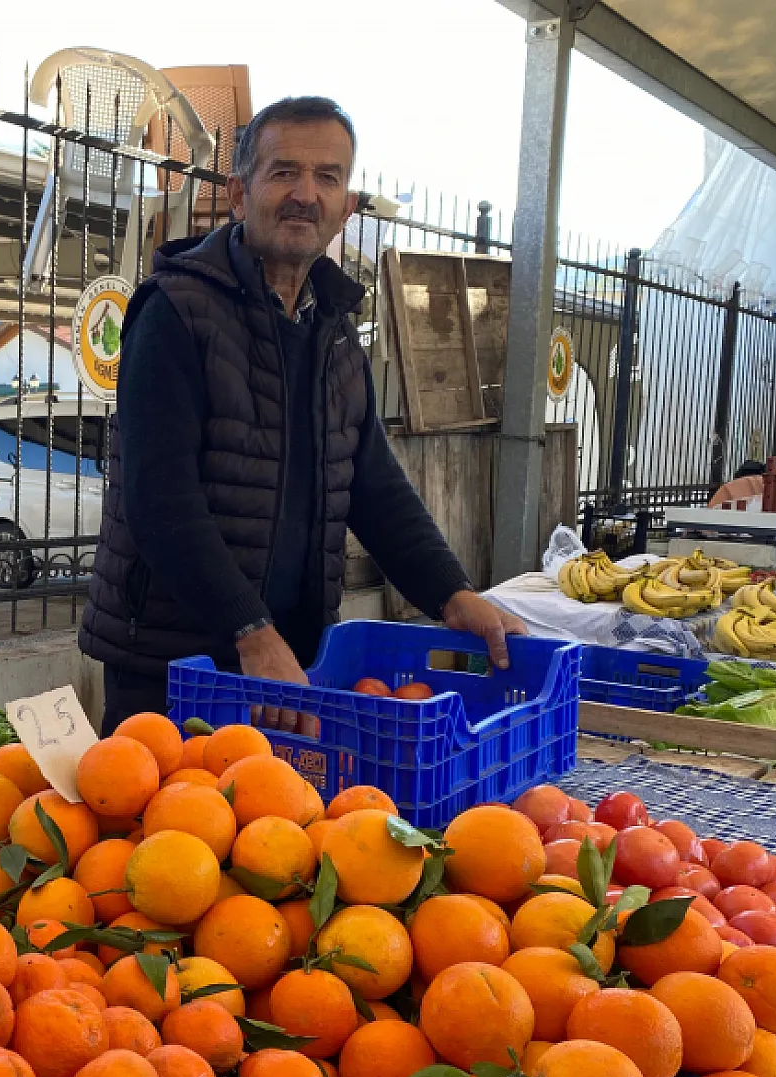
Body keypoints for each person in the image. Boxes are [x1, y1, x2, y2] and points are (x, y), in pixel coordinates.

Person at [79, 95, 523, 734]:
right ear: (239, 192)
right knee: (166, 828)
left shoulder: (336, 332)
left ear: (346, 206)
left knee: (279, 834)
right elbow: (158, 498)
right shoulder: (175, 312)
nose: (305, 195)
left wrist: (453, 594)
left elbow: (374, 487)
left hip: (292, 661)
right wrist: (248, 630)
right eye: (284, 172)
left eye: (327, 178)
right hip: (176, 665)